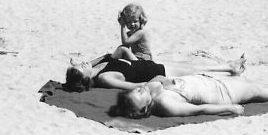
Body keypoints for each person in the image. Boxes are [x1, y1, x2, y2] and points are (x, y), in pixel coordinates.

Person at [115, 68, 268, 118]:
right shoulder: (166, 103)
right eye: (138, 95)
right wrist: (229, 108)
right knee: (259, 92)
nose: (139, 89)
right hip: (223, 93)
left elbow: (158, 76)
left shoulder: (150, 87)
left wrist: (159, 81)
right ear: (142, 109)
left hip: (211, 80)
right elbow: (197, 111)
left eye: (135, 90)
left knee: (253, 84)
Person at [65, 54, 247, 92]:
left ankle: (230, 67)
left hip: (152, 64)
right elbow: (135, 86)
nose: (83, 63)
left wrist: (77, 65)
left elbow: (106, 56)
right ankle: (231, 68)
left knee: (193, 65)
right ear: (85, 78)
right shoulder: (106, 77)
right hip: (159, 72)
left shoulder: (97, 66)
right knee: (197, 70)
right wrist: (159, 81)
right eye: (81, 67)